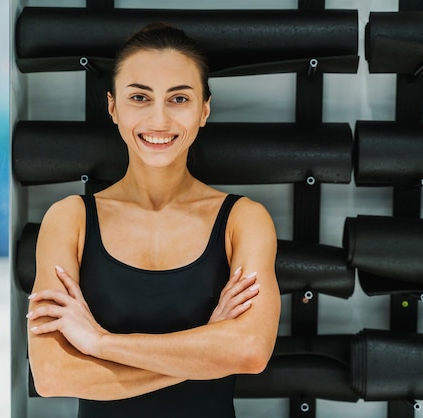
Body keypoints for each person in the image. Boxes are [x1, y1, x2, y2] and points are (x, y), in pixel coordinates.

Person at [26, 22, 281, 417]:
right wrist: (207, 347)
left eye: (179, 98)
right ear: (113, 107)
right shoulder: (69, 219)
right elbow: (51, 374)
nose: (159, 120)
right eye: (139, 97)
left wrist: (99, 343)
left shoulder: (243, 220)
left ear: (204, 110)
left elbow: (249, 351)